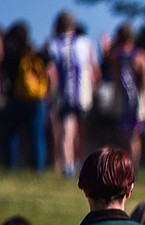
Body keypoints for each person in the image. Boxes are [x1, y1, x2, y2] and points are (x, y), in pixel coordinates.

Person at [46, 12, 99, 177]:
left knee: (67, 132)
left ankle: (68, 166)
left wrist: (50, 96)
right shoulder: (85, 43)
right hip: (83, 96)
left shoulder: (53, 45)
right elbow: (94, 70)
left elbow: (51, 73)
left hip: (63, 96)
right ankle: (80, 163)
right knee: (81, 132)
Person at [2, 22, 51, 173]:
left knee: (11, 136)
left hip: (16, 100)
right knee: (37, 138)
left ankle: (10, 167)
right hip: (36, 101)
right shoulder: (36, 54)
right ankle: (38, 170)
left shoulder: (11, 57)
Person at [104, 23, 145, 168]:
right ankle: (134, 166)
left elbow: (112, 72)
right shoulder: (142, 56)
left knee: (124, 136)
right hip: (137, 98)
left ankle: (125, 165)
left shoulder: (116, 56)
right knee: (135, 136)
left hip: (122, 99)